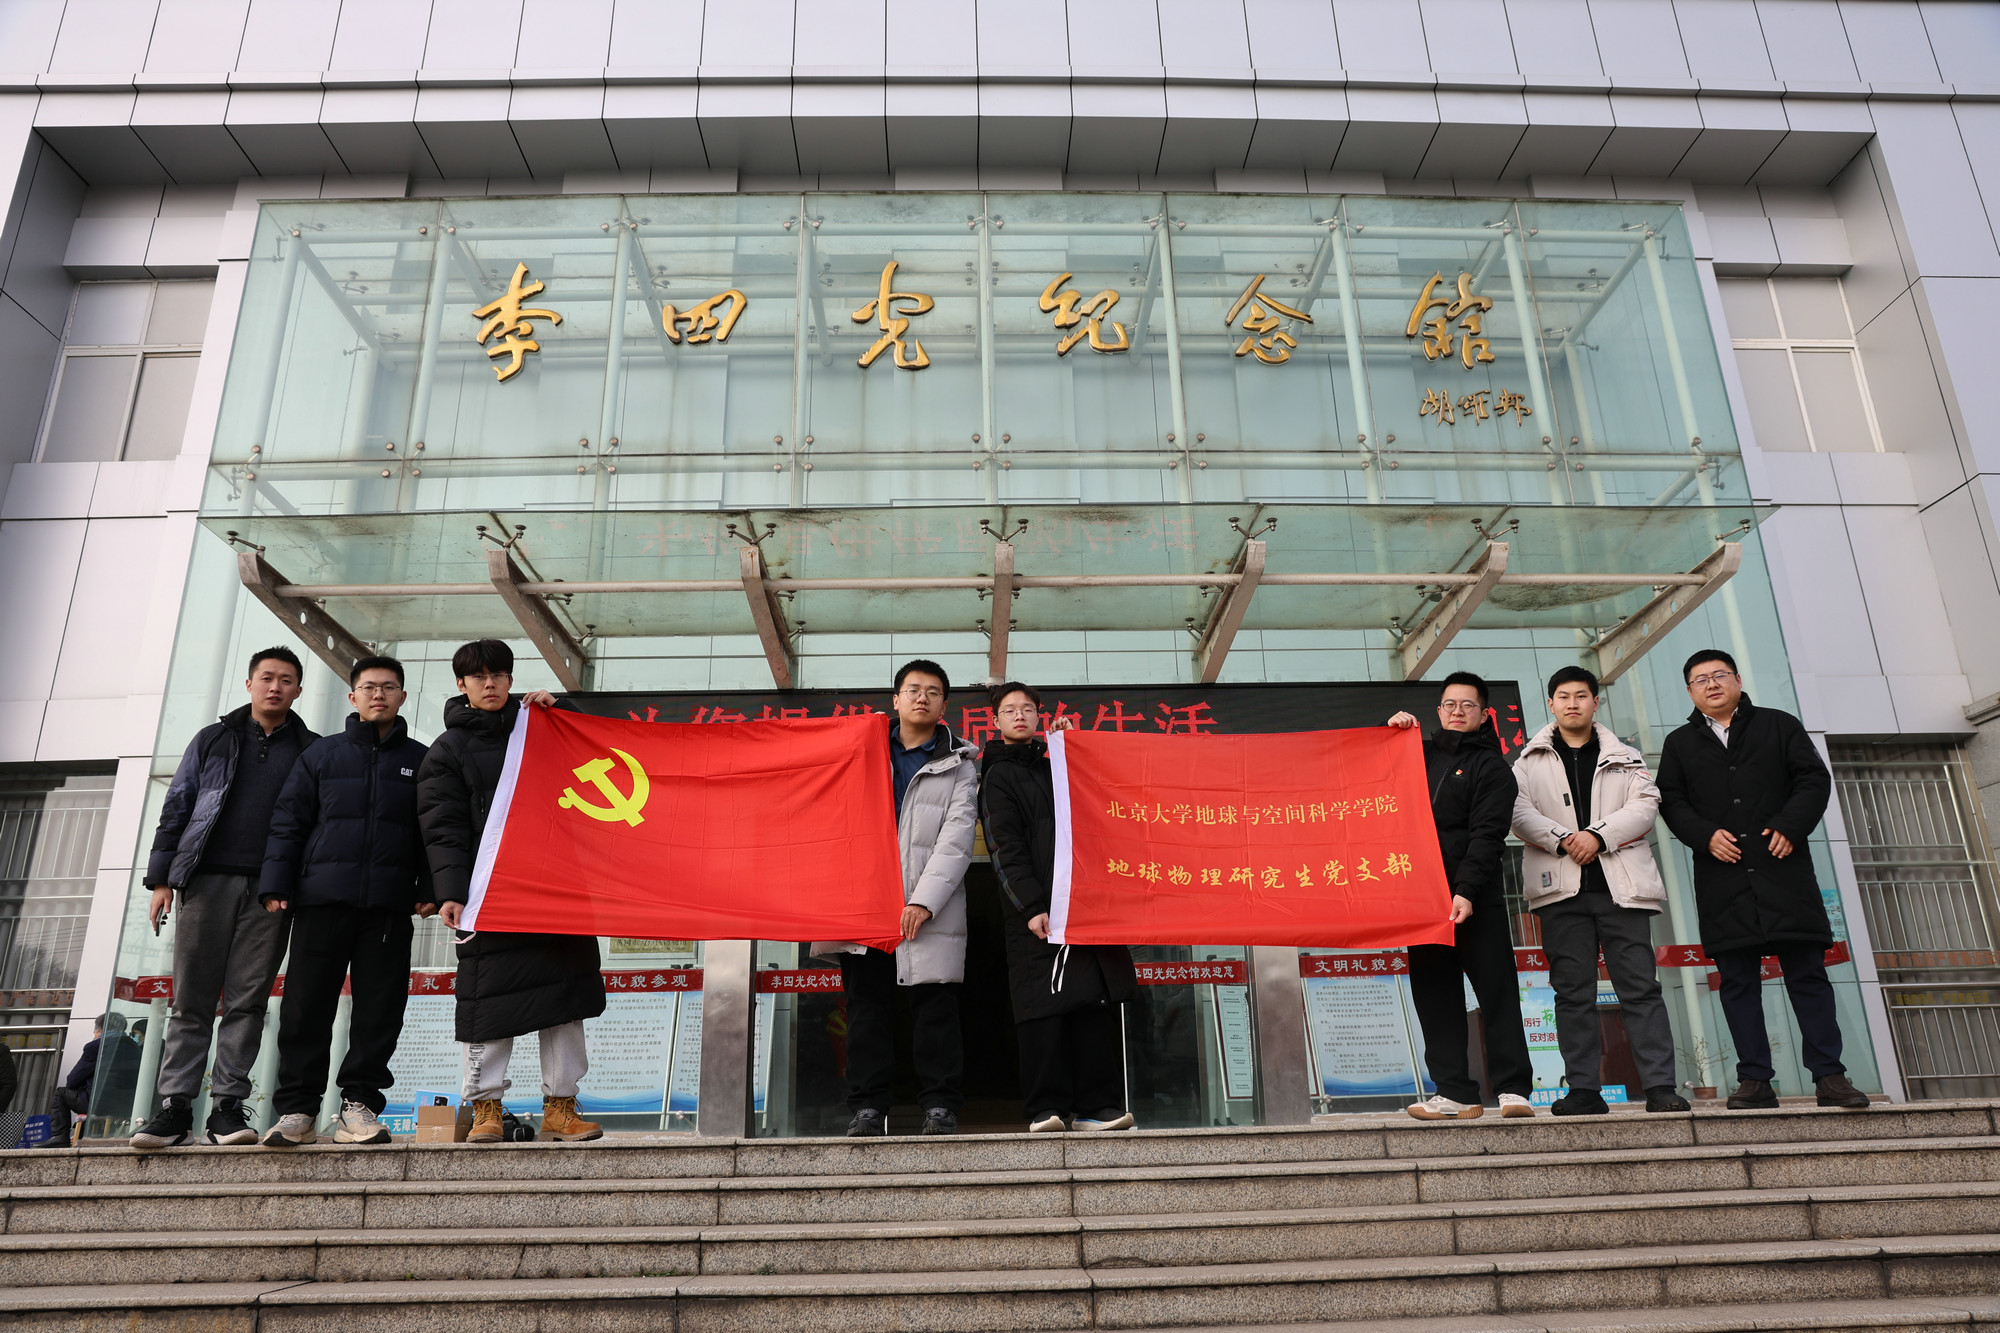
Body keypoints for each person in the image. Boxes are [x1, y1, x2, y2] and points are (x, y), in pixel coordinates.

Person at [1657, 649, 1870, 1110]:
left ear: (1737, 679)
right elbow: (1671, 800)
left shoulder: (1779, 725)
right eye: (1700, 680)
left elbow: (1812, 779)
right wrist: (1703, 836)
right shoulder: (1679, 743)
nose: (1712, 684)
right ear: (1690, 692)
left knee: (1807, 975)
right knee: (1737, 982)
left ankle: (1830, 1076)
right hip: (1723, 877)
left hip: (1783, 869)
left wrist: (1791, 826)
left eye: (1719, 675)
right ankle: (1754, 1080)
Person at [418, 639, 607, 1144]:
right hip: (492, 894)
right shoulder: (448, 749)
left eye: (499, 674)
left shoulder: (540, 729)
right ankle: (486, 1110)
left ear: (510, 679)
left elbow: (597, 764)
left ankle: (560, 1109)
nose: (490, 684)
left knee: (566, 999)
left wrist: (562, 714)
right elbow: (443, 828)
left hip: (558, 888)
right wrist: (452, 891)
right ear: (461, 684)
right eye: (479, 676)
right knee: (488, 1002)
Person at [130, 648, 319, 1149]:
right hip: (206, 881)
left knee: (247, 1001)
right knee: (190, 999)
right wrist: (162, 879)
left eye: (286, 680)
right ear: (249, 683)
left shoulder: (312, 749)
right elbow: (178, 804)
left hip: (271, 893)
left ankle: (227, 1108)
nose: (275, 687)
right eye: (266, 678)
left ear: (299, 690)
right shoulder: (213, 739)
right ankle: (174, 1107)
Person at [258, 655, 435, 1148]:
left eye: (389, 687)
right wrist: (276, 883)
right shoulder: (321, 755)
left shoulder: (421, 760)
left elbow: (433, 832)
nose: (379, 695)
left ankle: (359, 1106)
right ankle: (297, 1109)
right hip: (321, 900)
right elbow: (289, 821)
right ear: (353, 696)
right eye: (369, 687)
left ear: (402, 697)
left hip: (388, 906)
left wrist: (430, 888)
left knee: (380, 1010)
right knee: (305, 1008)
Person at [1510, 666, 1689, 1116]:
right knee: (1572, 993)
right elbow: (1517, 811)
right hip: (1561, 892)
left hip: (1621, 889)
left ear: (1595, 702)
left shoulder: (1626, 756)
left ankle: (1660, 1087)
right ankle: (1584, 1090)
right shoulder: (1527, 762)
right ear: (1550, 704)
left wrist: (1597, 835)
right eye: (1563, 696)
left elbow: (1645, 806)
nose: (1572, 703)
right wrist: (1563, 839)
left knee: (1640, 988)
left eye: (1581, 695)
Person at [812, 660, 978, 1137]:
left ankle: (941, 1106)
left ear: (944, 706)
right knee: (866, 1009)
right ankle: (867, 1108)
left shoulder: (961, 765)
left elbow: (956, 840)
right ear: (895, 700)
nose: (922, 697)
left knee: (935, 1009)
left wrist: (923, 901)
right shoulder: (856, 749)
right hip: (864, 901)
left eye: (932, 692)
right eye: (913, 689)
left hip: (930, 908)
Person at [979, 682, 1138, 1132]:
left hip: (1080, 904)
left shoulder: (1055, 766)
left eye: (1028, 709)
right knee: (1042, 1006)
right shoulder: (997, 775)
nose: (1020, 715)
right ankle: (1045, 1108)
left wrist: (1072, 749)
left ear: (1039, 716)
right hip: (1035, 911)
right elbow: (1004, 846)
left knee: (1090, 1001)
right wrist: (1029, 905)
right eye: (1010, 709)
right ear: (996, 720)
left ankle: (1097, 1108)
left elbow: (1100, 804)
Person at [1388, 671, 1536, 1120]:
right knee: (1435, 996)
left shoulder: (1493, 768)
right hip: (1424, 898)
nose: (1457, 711)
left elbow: (1487, 835)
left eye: (1467, 705)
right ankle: (1454, 1092)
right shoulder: (1419, 755)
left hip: (1476, 899)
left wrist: (1466, 890)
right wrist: (1389, 734)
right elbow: (1373, 781)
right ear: (1439, 711)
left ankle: (1513, 1089)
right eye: (1450, 704)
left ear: (1484, 713)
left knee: (1496, 991)